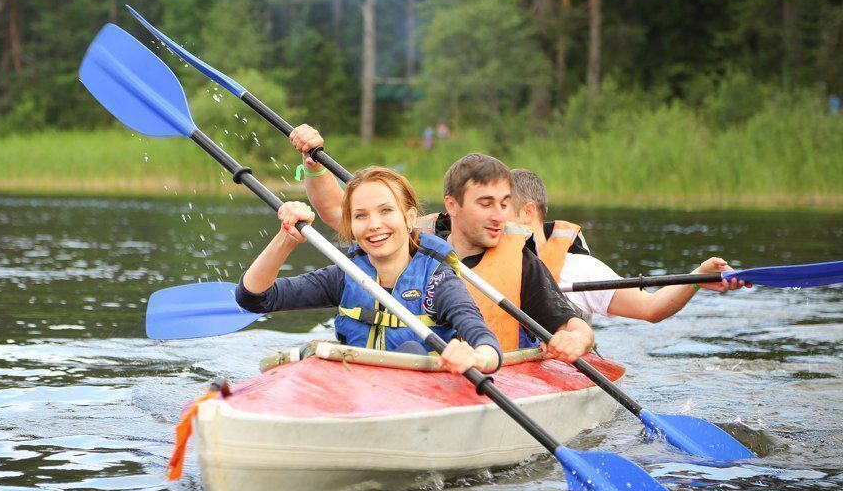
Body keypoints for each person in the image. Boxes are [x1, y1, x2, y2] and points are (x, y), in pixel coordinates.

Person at [288, 125, 592, 363]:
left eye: (504, 204)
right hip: (406, 366)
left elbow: (573, 326)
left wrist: (577, 338)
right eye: (486, 204)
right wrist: (315, 165)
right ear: (453, 205)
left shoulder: (521, 261)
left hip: (490, 373)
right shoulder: (411, 240)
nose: (500, 216)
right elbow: (336, 211)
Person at [235, 167, 501, 375]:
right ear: (351, 225)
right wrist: (287, 238)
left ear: (409, 218)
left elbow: (485, 342)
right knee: (315, 354)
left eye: (386, 211)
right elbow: (254, 297)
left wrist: (477, 357)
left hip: (416, 395)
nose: (374, 224)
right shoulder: (345, 275)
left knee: (409, 350)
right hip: (356, 392)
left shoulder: (438, 281)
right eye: (361, 216)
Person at [507, 168, 751, 323]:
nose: (494, 218)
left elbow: (651, 308)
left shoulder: (579, 268)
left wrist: (696, 278)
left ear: (528, 212)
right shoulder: (481, 265)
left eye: (502, 207)